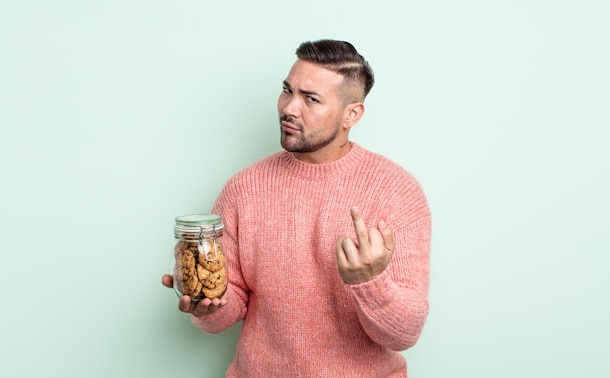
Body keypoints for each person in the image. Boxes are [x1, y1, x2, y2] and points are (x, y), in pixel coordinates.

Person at [162, 39, 431, 377]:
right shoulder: (244, 189)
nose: (289, 108)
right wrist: (206, 304)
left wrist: (369, 282)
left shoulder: (396, 191)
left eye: (311, 99)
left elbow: (404, 334)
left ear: (352, 114)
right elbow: (225, 310)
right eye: (287, 91)